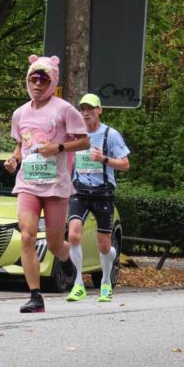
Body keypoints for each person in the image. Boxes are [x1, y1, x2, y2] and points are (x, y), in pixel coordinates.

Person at [3, 55, 90, 313]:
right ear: (27, 81)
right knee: (28, 235)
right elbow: (21, 147)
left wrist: (59, 147)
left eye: (44, 79)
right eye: (33, 79)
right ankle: (35, 296)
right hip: (28, 183)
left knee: (53, 242)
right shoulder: (20, 113)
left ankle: (67, 260)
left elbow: (85, 142)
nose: (38, 84)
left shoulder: (64, 109)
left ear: (52, 82)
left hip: (55, 185)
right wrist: (13, 160)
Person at [65, 93, 130, 303]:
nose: (85, 113)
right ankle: (78, 283)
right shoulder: (75, 136)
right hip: (80, 192)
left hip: (103, 194)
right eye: (82, 109)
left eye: (90, 109)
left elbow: (125, 165)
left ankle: (105, 282)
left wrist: (103, 158)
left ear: (99, 110)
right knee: (73, 235)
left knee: (104, 246)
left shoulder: (110, 135)